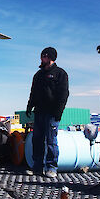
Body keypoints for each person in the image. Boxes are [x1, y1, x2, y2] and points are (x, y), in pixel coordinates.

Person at [26, 47, 69, 178]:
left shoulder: (60, 74)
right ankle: (37, 167)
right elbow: (33, 93)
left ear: (50, 57)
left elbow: (63, 94)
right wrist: (29, 106)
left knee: (51, 141)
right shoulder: (38, 75)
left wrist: (58, 112)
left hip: (52, 114)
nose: (41, 58)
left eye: (43, 56)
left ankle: (51, 167)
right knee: (37, 140)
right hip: (39, 112)